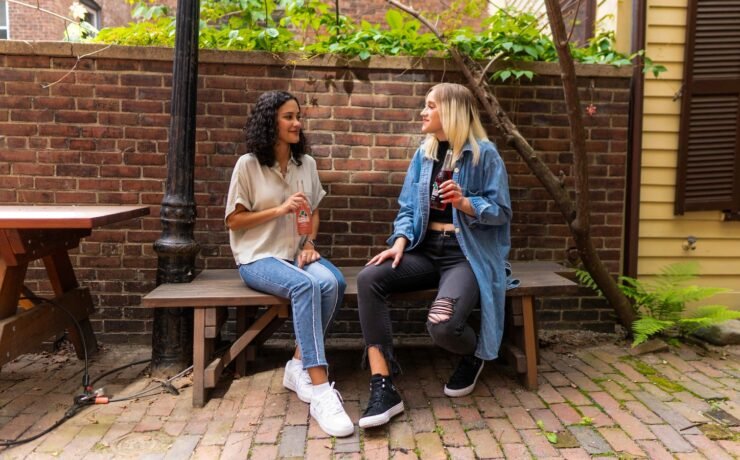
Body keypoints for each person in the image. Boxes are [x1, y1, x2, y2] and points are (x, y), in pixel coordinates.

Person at [356, 83, 512, 429]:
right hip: (425, 251)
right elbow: (409, 207)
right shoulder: (424, 154)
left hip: (465, 255)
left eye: (431, 106)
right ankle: (383, 385)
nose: (423, 112)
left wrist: (465, 203)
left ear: (452, 111)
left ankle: (474, 353)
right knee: (369, 278)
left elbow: (501, 212)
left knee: (441, 327)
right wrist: (399, 240)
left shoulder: (485, 155)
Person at [225, 90, 353, 437]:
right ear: (271, 122)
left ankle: (297, 364)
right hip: (258, 257)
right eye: (288, 117)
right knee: (307, 284)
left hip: (296, 254)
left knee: (334, 282)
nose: (297, 123)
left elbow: (313, 212)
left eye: (298, 116)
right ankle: (320, 387)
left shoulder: (306, 164)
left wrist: (310, 242)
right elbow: (234, 221)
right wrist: (279, 210)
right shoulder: (248, 165)